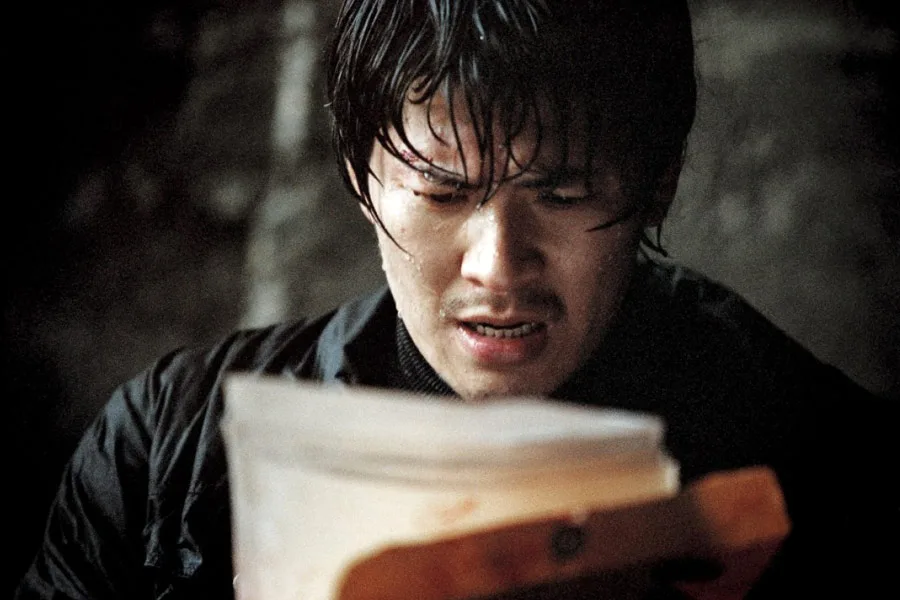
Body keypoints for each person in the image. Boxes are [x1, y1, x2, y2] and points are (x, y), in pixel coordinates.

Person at [16, 0, 897, 598]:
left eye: (562, 193)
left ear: (655, 184)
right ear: (362, 176)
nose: (498, 267)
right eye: (443, 192)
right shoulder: (164, 451)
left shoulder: (826, 469)